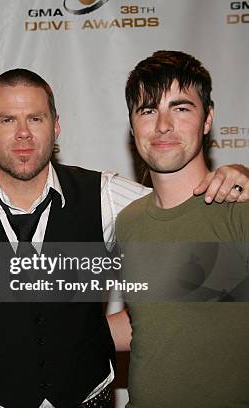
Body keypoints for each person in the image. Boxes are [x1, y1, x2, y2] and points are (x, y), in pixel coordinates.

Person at [0, 68, 249, 408]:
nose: (23, 133)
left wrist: (238, 176)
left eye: (35, 118)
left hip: (90, 399)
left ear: (56, 126)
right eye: (7, 120)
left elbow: (184, 207)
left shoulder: (108, 197)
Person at [114, 50, 249, 407]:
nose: (162, 125)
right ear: (132, 125)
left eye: (181, 108)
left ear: (208, 120)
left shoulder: (238, 207)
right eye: (148, 110)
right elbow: (150, 321)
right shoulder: (129, 221)